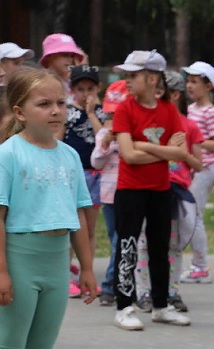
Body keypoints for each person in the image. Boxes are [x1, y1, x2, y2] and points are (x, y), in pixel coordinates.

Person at [0, 68, 97, 349]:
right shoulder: (8, 154)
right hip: (20, 258)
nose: (56, 110)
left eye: (60, 102)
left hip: (57, 262)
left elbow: (80, 213)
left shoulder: (70, 155)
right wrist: (2, 272)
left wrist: (86, 268)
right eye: (44, 104)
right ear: (20, 112)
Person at [110, 50, 191, 331]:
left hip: (160, 189)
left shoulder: (168, 110)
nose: (128, 81)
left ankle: (161, 306)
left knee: (159, 248)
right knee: (128, 247)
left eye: (133, 75)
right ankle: (124, 306)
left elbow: (181, 153)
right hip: (130, 190)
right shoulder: (125, 109)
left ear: (152, 78)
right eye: (127, 75)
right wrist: (164, 151)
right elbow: (128, 155)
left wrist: (144, 145)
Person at [133, 72, 204, 314]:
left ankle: (171, 292)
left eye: (162, 94)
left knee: (173, 244)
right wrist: (163, 151)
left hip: (176, 191)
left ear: (174, 95)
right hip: (149, 186)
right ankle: (144, 292)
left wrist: (181, 154)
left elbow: (198, 164)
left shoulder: (189, 126)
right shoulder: (149, 122)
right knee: (145, 243)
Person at [179, 61, 214, 284]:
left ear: (208, 86)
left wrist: (195, 141)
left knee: (194, 216)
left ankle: (200, 267)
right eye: (188, 81)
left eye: (195, 82)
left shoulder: (210, 112)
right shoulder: (190, 110)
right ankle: (195, 263)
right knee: (189, 215)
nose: (189, 86)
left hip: (206, 168)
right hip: (194, 168)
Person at [63, 64, 105, 299]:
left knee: (89, 228)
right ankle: (66, 275)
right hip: (73, 174)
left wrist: (91, 113)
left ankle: (86, 275)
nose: (85, 93)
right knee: (73, 226)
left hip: (95, 175)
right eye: (80, 89)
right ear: (73, 90)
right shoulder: (67, 112)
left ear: (98, 88)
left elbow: (104, 139)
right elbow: (59, 140)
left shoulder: (102, 113)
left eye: (90, 88)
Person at [90, 80, 128, 307]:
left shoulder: (131, 134)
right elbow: (95, 163)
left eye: (117, 114)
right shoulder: (103, 134)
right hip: (108, 194)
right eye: (109, 114)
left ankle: (113, 285)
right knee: (115, 239)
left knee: (122, 240)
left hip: (128, 192)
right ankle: (113, 284)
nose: (112, 120)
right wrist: (104, 145)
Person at [38, 34, 84, 99]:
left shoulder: (72, 83)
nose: (70, 59)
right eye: (65, 55)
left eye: (72, 56)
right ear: (49, 56)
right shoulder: (40, 84)